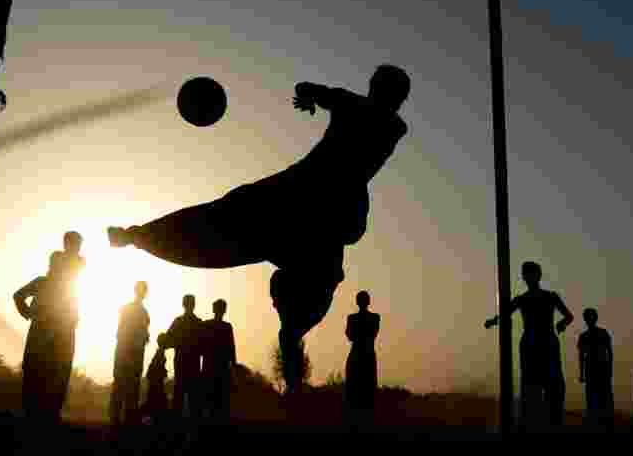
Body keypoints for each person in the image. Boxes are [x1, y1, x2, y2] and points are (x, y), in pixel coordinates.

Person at [109, 65, 411, 396]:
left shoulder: (358, 107)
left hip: (302, 199)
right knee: (228, 225)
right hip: (326, 214)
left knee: (220, 220)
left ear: (374, 87)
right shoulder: (394, 126)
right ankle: (293, 349)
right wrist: (318, 95)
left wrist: (311, 95)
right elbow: (333, 99)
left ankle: (138, 236)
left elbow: (308, 86)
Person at [485, 261, 574, 430]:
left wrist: (562, 324)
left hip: (546, 343)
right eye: (527, 274)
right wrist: (493, 321)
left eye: (531, 273)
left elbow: (569, 316)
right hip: (531, 345)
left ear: (538, 275)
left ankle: (551, 424)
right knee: (531, 387)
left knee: (552, 386)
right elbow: (504, 314)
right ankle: (532, 424)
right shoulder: (522, 299)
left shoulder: (551, 297)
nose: (529, 277)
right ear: (524, 277)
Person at [14, 250, 81, 421]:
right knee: (43, 376)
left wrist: (27, 312)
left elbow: (18, 296)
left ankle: (40, 416)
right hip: (48, 337)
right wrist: (27, 313)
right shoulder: (56, 285)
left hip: (48, 337)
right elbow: (18, 296)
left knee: (41, 376)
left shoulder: (48, 284)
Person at [110, 281, 151, 426]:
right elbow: (142, 336)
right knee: (130, 387)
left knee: (122, 386)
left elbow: (121, 332)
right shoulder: (143, 313)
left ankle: (118, 418)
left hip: (125, 351)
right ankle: (126, 419)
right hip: (131, 352)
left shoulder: (127, 309)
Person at [163, 294, 204, 419]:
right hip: (194, 364)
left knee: (179, 394)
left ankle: (176, 425)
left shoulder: (178, 322)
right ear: (194, 305)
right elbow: (203, 346)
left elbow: (167, 341)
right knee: (193, 397)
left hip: (181, 362)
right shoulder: (198, 323)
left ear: (183, 304)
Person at [345, 291, 380, 417]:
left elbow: (350, 335)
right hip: (364, 355)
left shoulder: (353, 319)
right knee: (359, 389)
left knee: (363, 389)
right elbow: (352, 335)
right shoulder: (374, 318)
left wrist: (358, 334)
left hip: (360, 354)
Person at [577, 308, 614, 430]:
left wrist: (609, 369)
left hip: (600, 368)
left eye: (590, 317)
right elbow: (581, 356)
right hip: (593, 369)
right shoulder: (585, 336)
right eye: (587, 317)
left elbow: (609, 352)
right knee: (594, 398)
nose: (589, 320)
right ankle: (597, 422)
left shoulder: (600, 334)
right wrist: (582, 373)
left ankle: (603, 422)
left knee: (602, 397)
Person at [201, 299, 237, 421]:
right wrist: (234, 366)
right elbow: (231, 349)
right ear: (224, 311)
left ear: (213, 309)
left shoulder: (206, 325)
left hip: (209, 367)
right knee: (221, 403)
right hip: (221, 369)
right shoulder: (227, 327)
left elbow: (199, 346)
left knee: (210, 402)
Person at [142, 334, 170, 424]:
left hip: (155, 381)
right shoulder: (160, 354)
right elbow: (157, 367)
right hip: (156, 381)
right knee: (156, 401)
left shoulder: (159, 353)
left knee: (153, 400)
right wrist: (163, 372)